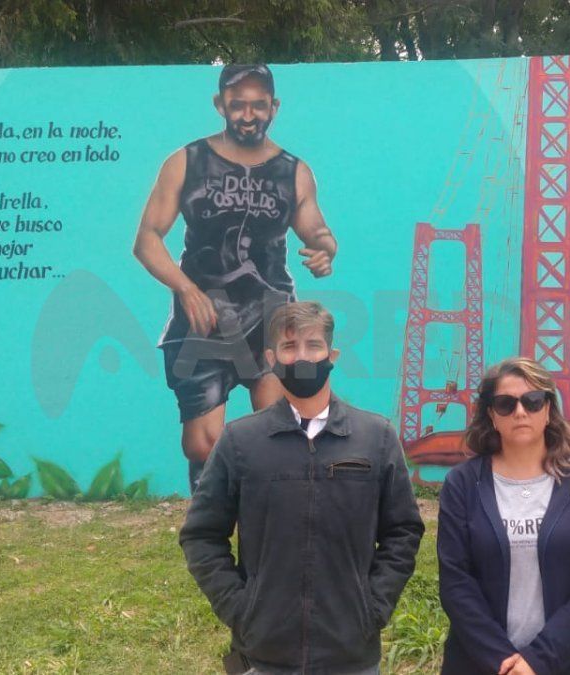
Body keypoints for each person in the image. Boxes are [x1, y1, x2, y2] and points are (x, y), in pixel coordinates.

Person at [179, 301, 423, 675]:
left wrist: (373, 607)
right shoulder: (240, 441)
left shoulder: (376, 438)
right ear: (272, 357)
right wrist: (242, 610)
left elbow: (403, 531)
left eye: (314, 346)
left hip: (351, 656)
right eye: (290, 348)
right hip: (263, 655)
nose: (302, 357)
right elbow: (201, 534)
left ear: (332, 354)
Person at [133, 63, 337, 491]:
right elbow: (147, 239)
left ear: (274, 107)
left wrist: (324, 248)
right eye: (238, 104)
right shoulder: (186, 162)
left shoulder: (293, 171)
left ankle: (273, 528)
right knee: (203, 444)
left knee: (279, 433)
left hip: (271, 316)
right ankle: (209, 534)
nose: (248, 114)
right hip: (205, 315)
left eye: (258, 105)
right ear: (219, 104)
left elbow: (314, 227)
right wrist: (185, 288)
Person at [437, 357, 570, 675]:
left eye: (533, 401)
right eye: (506, 404)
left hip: (567, 661)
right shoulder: (462, 484)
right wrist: (502, 659)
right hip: (480, 663)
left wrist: (537, 661)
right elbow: (455, 582)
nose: (520, 412)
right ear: (491, 415)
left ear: (548, 410)